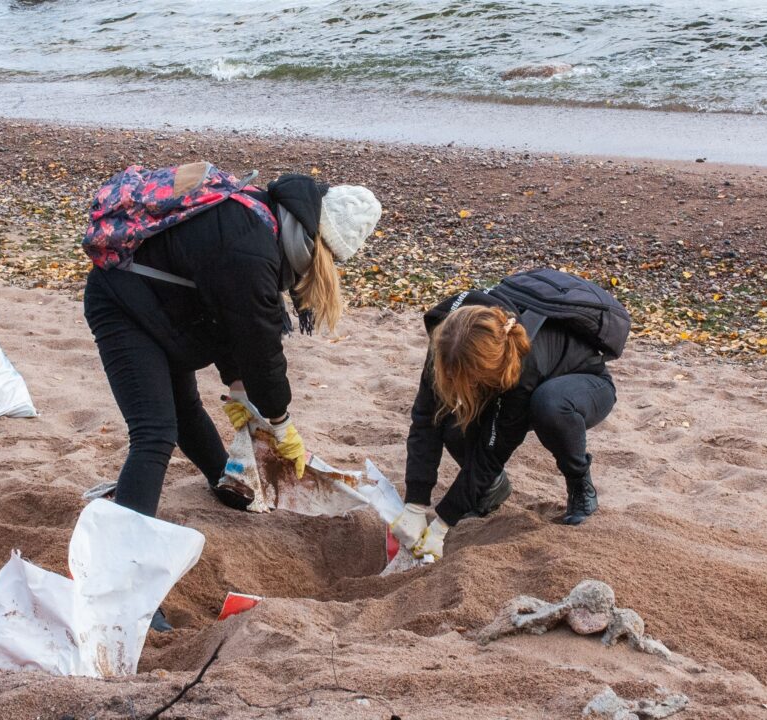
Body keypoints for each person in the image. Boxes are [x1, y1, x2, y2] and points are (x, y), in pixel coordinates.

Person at [83, 167, 381, 518]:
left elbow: (228, 318)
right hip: (123, 304)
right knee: (154, 432)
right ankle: (124, 542)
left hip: (159, 304)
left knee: (185, 408)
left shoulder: (261, 218)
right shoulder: (251, 248)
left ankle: (228, 484)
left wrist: (239, 388)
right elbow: (259, 343)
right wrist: (280, 421)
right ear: (318, 242)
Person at [390, 277, 618, 560]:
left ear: (486, 373)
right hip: (502, 376)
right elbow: (425, 418)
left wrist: (442, 524)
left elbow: (492, 452)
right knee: (450, 421)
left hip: (582, 385)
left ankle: (579, 481)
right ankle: (492, 489)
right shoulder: (449, 335)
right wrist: (415, 501)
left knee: (548, 406)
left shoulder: (523, 369)